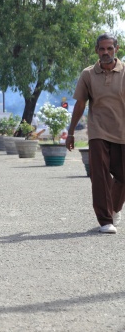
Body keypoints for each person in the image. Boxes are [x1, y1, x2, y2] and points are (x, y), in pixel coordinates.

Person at [67, 32, 125, 234]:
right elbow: (80, 104)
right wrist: (71, 132)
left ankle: (115, 208)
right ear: (96, 51)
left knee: (122, 176)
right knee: (99, 175)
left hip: (122, 132)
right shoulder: (88, 74)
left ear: (116, 49)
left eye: (110, 48)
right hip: (98, 131)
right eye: (102, 48)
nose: (106, 52)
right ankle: (105, 219)